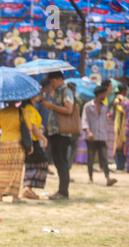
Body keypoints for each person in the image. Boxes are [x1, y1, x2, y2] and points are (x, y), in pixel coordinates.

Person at [41, 72, 74, 200]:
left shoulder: (66, 91)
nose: (51, 84)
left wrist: (52, 106)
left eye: (52, 81)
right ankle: (61, 190)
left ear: (59, 79)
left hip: (62, 132)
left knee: (61, 162)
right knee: (58, 161)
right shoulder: (57, 92)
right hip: (54, 131)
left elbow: (69, 110)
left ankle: (63, 192)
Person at [0, 101, 32, 203]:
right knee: (16, 169)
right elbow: (29, 128)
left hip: (4, 142)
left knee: (3, 169)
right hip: (17, 143)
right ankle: (15, 196)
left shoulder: (1, 112)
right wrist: (30, 145)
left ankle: (0, 195)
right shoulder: (22, 112)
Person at [82, 86, 118, 186]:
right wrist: (88, 132)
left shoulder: (105, 107)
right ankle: (90, 178)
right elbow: (84, 120)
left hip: (102, 136)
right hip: (91, 136)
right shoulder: (88, 106)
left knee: (104, 158)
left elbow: (109, 117)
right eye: (103, 94)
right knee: (91, 158)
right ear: (99, 94)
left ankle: (108, 178)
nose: (105, 96)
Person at [22, 97, 49, 200]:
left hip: (29, 140)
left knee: (31, 164)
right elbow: (32, 127)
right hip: (32, 140)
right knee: (41, 163)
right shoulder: (30, 110)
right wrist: (43, 138)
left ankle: (27, 187)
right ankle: (27, 187)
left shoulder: (26, 109)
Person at [114, 84, 128, 171]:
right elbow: (121, 110)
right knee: (119, 145)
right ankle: (119, 165)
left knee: (123, 145)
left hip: (123, 125)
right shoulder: (118, 99)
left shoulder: (124, 100)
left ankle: (121, 165)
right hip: (120, 125)